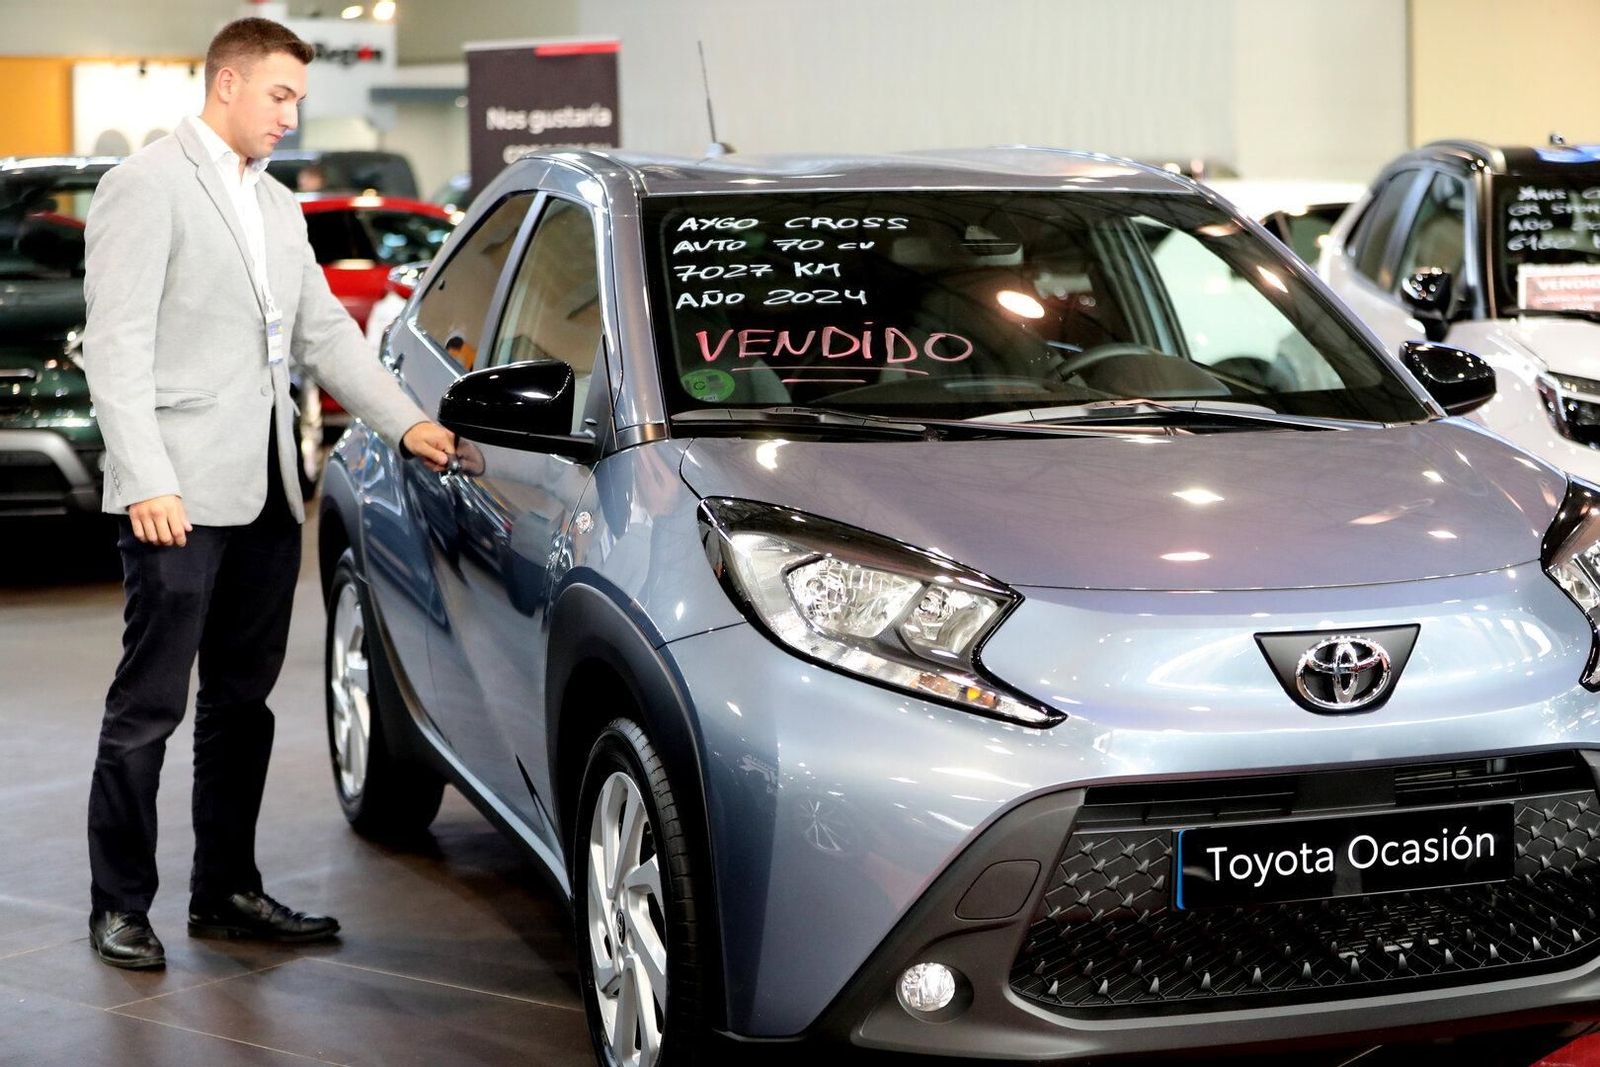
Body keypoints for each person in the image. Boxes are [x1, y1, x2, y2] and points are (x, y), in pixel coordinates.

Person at [79, 17, 456, 970]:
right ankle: (119, 902)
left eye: (298, 99)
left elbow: (326, 336)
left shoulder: (282, 208)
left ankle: (225, 890)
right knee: (150, 705)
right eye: (280, 95)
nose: (292, 115)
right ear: (228, 83)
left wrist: (405, 420)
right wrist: (145, 479)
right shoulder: (145, 185)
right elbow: (115, 345)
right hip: (176, 493)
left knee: (241, 704)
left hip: (268, 492)